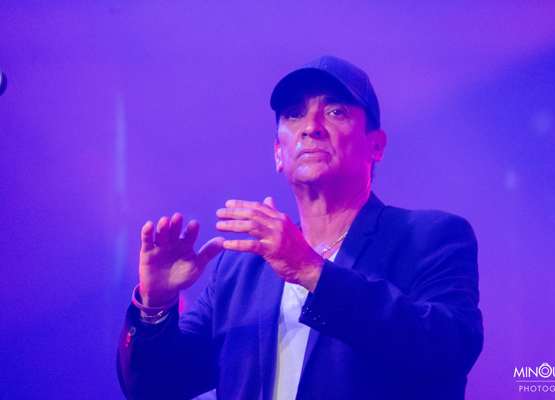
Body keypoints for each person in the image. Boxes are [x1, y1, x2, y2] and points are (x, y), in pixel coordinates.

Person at [117, 55, 484, 400]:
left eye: (336, 111)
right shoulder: (239, 271)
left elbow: (448, 350)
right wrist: (156, 305)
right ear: (279, 153)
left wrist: (311, 270)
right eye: (294, 115)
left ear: (376, 146)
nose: (311, 127)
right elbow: (156, 388)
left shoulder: (430, 238)